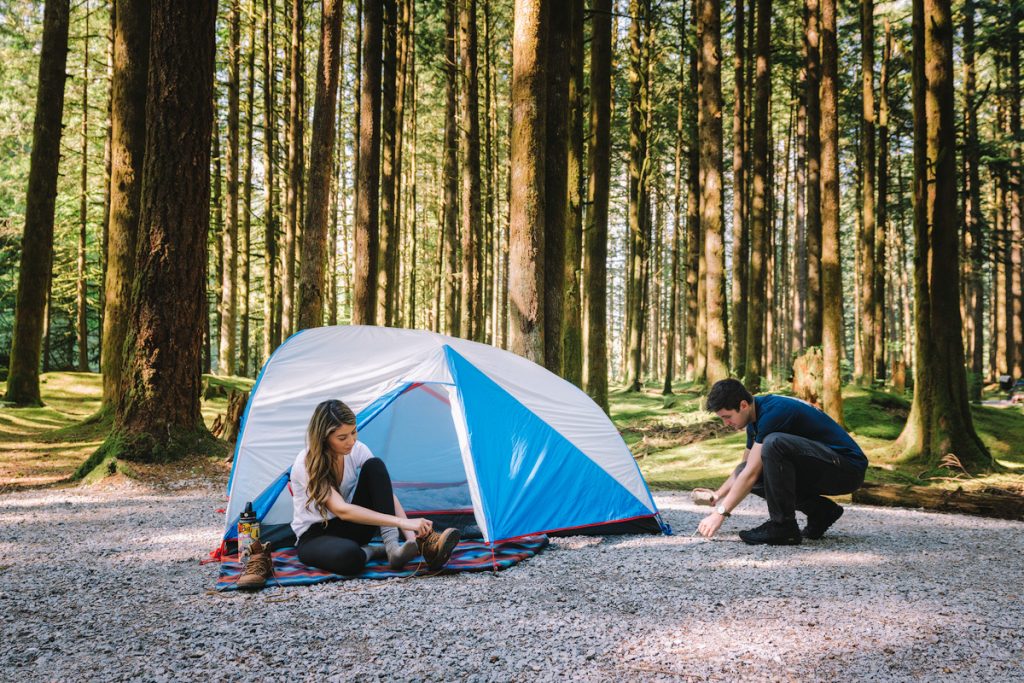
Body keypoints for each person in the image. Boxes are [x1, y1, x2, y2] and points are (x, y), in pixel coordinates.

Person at [239, 400, 461, 588]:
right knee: (350, 559)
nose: (351, 441)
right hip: (314, 536)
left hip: (351, 529)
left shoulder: (357, 450)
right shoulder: (306, 463)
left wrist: (413, 537)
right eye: (342, 437)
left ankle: (393, 549)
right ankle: (374, 551)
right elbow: (342, 510)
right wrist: (410, 523)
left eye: (353, 432)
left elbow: (383, 492)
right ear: (324, 438)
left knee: (375, 466)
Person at [695, 379, 867, 545]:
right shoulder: (754, 420)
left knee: (773, 443)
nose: (725, 423)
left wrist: (720, 513)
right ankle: (821, 511)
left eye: (727, 416)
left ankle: (783, 526)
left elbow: (751, 473)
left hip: (847, 470)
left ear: (743, 405)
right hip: (824, 466)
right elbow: (744, 469)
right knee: (753, 470)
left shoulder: (774, 412)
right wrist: (718, 495)